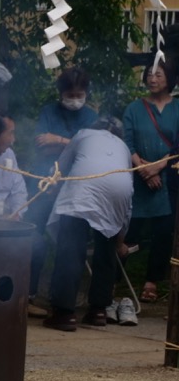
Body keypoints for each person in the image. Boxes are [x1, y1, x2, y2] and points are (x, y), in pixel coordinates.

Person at [42, 119, 134, 331]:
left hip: (85, 186)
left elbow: (59, 168)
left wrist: (51, 190)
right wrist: (120, 239)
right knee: (106, 250)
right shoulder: (123, 147)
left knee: (71, 248)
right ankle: (98, 311)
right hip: (119, 191)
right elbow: (127, 196)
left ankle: (64, 313)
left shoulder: (83, 134)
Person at [26, 67, 99, 312]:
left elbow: (89, 149)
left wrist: (57, 141)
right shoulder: (48, 112)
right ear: (61, 94)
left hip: (76, 186)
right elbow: (40, 146)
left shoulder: (91, 116)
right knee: (34, 236)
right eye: (70, 95)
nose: (75, 99)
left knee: (68, 241)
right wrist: (73, 144)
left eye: (79, 94)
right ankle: (29, 292)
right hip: (44, 181)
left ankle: (62, 299)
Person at [121, 62, 178, 304]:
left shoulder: (178, 107)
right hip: (138, 178)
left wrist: (158, 166)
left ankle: (152, 282)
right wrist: (144, 169)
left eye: (158, 74)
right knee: (129, 229)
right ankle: (115, 280)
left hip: (170, 178)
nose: (152, 79)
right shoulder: (134, 108)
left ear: (170, 78)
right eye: (149, 75)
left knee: (163, 233)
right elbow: (126, 140)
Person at [0, 113, 28, 219]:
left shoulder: (9, 154)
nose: (13, 140)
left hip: (7, 223)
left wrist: (16, 214)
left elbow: (19, 191)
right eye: (10, 133)